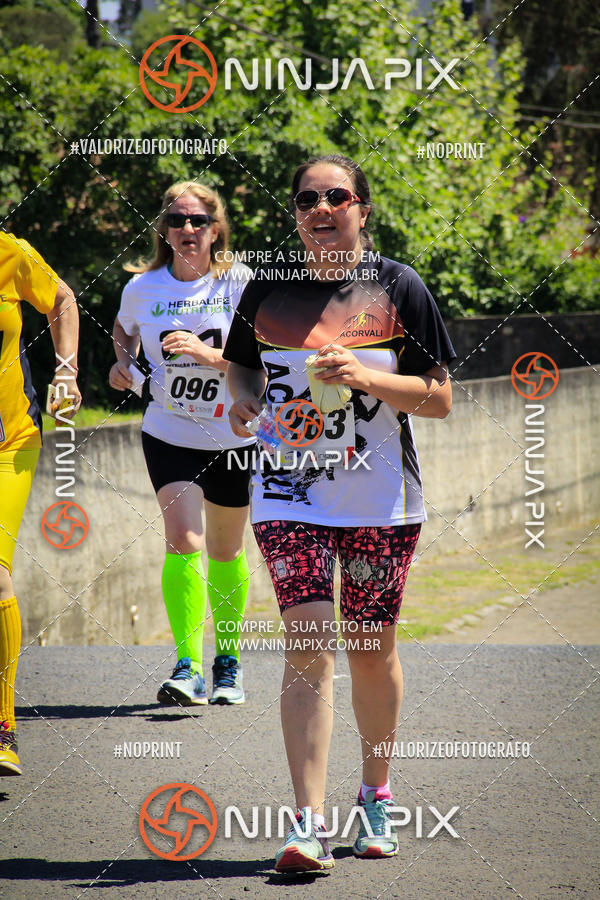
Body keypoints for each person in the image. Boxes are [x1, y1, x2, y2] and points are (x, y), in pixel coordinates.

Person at [225, 154, 456, 871]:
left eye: (337, 196)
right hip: (288, 494)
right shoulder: (267, 288)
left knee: (369, 647)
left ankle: (377, 797)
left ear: (362, 206)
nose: (321, 209)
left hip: (379, 502)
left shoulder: (398, 288)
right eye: (306, 199)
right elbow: (241, 362)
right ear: (295, 213)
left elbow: (441, 397)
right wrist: (244, 400)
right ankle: (306, 823)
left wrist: (365, 377)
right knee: (307, 643)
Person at [109, 181, 254, 707]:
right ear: (163, 230)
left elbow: (262, 360)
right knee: (184, 540)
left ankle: (228, 665)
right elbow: (123, 333)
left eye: (197, 221)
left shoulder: (238, 282)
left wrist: (204, 354)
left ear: (216, 229)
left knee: (225, 549)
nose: (187, 230)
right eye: (176, 221)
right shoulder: (142, 288)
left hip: (234, 436)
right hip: (169, 433)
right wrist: (123, 364)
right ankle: (187, 665)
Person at [0, 231, 81, 776]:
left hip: (9, 441)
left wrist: (66, 369)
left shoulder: (10, 252)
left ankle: (2, 726)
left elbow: (63, 300)